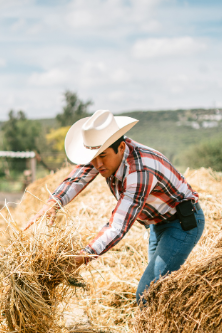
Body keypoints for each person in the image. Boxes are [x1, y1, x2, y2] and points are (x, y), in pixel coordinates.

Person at [24, 109, 205, 304]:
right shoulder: (101, 155)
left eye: (102, 156)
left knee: (148, 294)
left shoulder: (139, 171)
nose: (97, 164)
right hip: (157, 223)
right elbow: (77, 178)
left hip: (182, 223)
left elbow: (117, 226)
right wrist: (52, 204)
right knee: (159, 291)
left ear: (121, 147)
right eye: (93, 157)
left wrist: (83, 256)